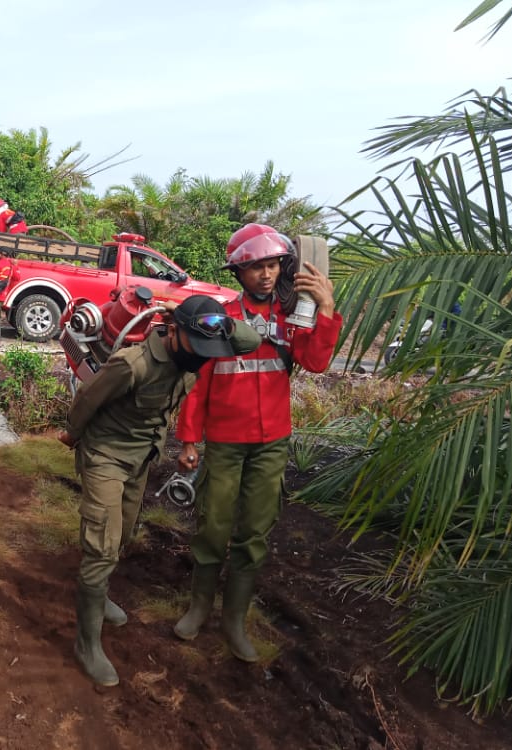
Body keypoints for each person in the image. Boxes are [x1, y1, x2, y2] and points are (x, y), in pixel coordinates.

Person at [58, 296, 261, 686]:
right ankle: (87, 644)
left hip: (141, 457)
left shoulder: (196, 349)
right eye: (200, 347)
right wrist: (72, 435)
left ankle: (101, 598)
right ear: (174, 332)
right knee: (101, 545)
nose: (205, 359)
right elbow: (87, 397)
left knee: (124, 534)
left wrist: (220, 323)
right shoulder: (133, 363)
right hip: (106, 455)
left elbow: (250, 342)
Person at [172, 224, 342, 662]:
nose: (266, 275)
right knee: (213, 526)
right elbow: (197, 383)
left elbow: (317, 361)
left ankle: (234, 621)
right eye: (255, 268)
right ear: (238, 272)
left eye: (272, 265)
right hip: (226, 442)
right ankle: (198, 608)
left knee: (255, 533)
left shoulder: (294, 314)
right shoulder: (221, 318)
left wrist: (325, 307)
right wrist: (189, 439)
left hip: (271, 444)